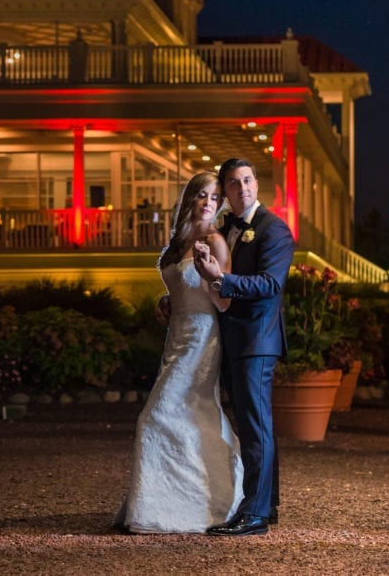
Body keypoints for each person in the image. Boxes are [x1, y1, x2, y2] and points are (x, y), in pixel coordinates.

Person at [113, 171, 243, 534]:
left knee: (156, 415)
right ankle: (178, 501)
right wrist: (167, 300)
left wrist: (211, 271)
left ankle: (199, 503)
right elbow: (183, 287)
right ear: (190, 198)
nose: (208, 202)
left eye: (215, 198)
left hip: (203, 339)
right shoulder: (178, 240)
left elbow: (223, 300)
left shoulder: (216, 241)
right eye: (202, 195)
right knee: (188, 417)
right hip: (176, 336)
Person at [192, 157, 294, 537]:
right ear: (226, 190)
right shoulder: (224, 229)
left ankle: (254, 514)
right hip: (233, 338)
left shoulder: (274, 230)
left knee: (256, 427)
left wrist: (224, 278)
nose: (243, 188)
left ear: (256, 184)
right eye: (234, 183)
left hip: (258, 339)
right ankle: (266, 505)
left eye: (247, 180)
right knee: (254, 426)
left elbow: (270, 285)